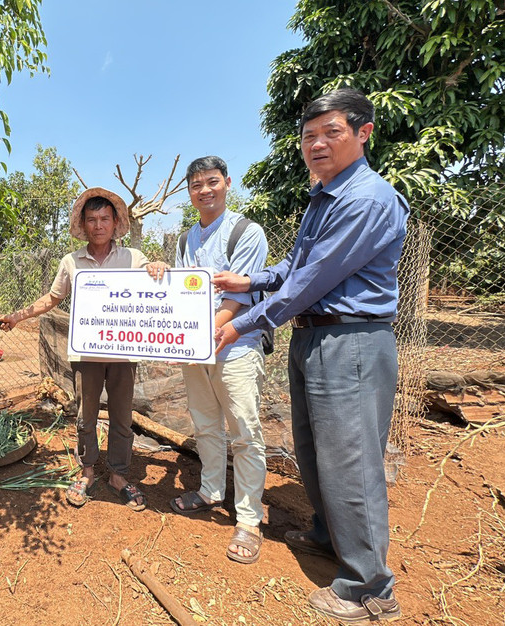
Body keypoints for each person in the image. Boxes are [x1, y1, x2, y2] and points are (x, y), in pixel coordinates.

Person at [212, 88, 408, 622]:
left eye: (331, 133)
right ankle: (328, 535)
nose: (316, 144)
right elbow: (297, 268)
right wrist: (252, 279)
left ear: (363, 133)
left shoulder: (367, 199)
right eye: (308, 136)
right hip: (315, 338)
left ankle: (370, 589)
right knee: (316, 449)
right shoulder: (326, 194)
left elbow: (310, 283)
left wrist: (242, 323)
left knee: (351, 460)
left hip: (351, 341)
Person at [1, 187, 161, 511]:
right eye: (92, 219)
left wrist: (161, 269)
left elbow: (159, 287)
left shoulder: (134, 259)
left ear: (116, 222)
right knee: (86, 416)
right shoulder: (71, 262)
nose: (98, 225)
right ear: (83, 225)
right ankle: (87, 472)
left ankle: (117, 475)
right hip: (86, 355)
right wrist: (17, 316)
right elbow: (52, 298)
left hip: (123, 355)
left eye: (105, 218)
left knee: (121, 417)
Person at [163, 156, 269, 565]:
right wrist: (179, 339)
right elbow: (180, 291)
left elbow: (236, 298)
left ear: (227, 183)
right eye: (196, 185)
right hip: (198, 348)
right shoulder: (187, 237)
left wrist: (199, 336)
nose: (204, 190)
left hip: (235, 347)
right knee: (205, 424)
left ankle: (247, 519)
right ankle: (210, 491)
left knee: (243, 430)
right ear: (189, 193)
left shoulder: (246, 232)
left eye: (211, 182)